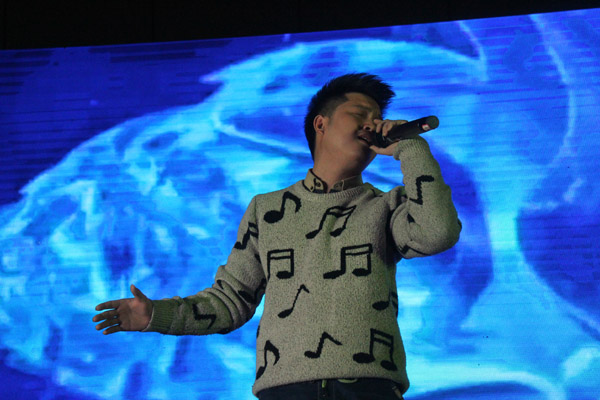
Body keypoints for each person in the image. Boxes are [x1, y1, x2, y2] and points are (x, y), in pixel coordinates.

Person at [93, 73, 461, 399]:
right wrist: (155, 314)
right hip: (285, 390)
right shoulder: (267, 210)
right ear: (321, 123)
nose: (373, 125)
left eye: (377, 118)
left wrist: (410, 147)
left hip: (369, 388)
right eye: (360, 114)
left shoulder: (387, 207)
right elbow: (229, 302)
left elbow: (437, 233)